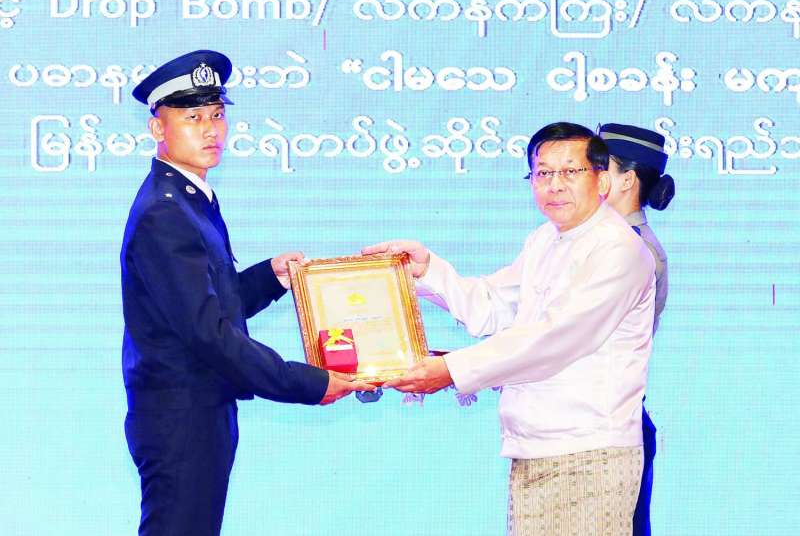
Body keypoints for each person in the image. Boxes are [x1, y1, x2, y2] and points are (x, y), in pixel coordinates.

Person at [121, 50, 372, 536]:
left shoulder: (188, 198)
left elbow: (204, 302)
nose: (210, 130)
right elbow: (207, 332)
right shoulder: (166, 212)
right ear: (157, 128)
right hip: (182, 417)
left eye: (216, 115)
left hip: (195, 409)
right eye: (192, 117)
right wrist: (305, 383)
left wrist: (269, 278)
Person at [363, 122, 656, 535]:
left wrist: (451, 371)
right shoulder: (544, 240)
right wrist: (427, 271)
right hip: (533, 447)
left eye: (570, 171)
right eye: (543, 173)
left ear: (602, 180)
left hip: (589, 450)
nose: (555, 185)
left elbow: (556, 339)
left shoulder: (619, 249)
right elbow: (492, 306)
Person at [599, 123, 675, 536]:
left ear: (627, 179)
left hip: (611, 430)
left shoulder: (634, 250)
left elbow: (577, 340)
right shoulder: (599, 241)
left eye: (599, 167)